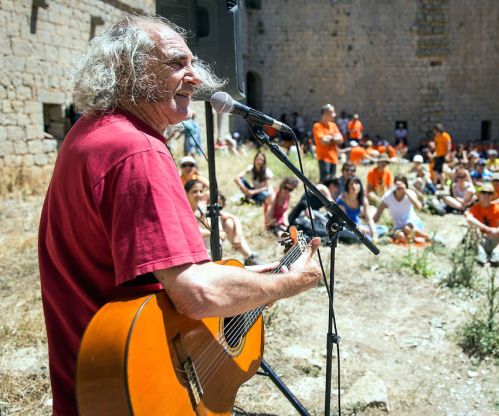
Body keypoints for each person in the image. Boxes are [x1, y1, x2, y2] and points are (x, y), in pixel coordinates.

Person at [37, 15, 322, 416]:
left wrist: (260, 278)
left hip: (101, 390)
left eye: (192, 64)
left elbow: (152, 281)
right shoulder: (136, 151)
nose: (196, 78)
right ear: (127, 69)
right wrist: (289, 284)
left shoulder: (92, 132)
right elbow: (195, 293)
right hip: (138, 393)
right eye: (176, 63)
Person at [185, 180, 258, 264]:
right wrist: (216, 233)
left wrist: (237, 236)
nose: (198, 194)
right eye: (194, 192)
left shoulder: (201, 208)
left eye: (201, 191)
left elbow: (234, 217)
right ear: (186, 193)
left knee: (229, 222)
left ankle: (250, 257)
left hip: (209, 244)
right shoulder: (184, 210)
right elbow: (192, 232)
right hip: (194, 250)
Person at [465, 183, 499, 267]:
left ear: (492, 196)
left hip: (493, 237)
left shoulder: (497, 207)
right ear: (479, 195)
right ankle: (480, 252)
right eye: (484, 192)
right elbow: (469, 218)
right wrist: (485, 228)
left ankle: (496, 251)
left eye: (489, 193)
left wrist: (498, 230)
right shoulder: (475, 208)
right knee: (472, 226)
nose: (486, 195)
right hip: (480, 238)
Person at [373, 175, 429, 244]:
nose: (399, 187)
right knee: (400, 235)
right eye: (397, 184)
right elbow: (379, 212)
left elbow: (419, 206)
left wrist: (406, 192)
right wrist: (371, 225)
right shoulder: (388, 196)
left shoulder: (410, 193)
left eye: (401, 184)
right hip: (398, 226)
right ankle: (414, 239)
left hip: (412, 223)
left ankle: (427, 237)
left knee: (407, 229)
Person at [313, 104, 344, 182]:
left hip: (334, 158)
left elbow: (341, 140)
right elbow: (323, 141)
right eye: (332, 112)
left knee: (332, 183)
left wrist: (329, 138)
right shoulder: (317, 126)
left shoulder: (333, 125)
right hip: (324, 158)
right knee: (325, 181)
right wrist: (334, 137)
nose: (334, 114)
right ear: (325, 113)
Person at [430, 123, 452, 188]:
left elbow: (449, 146)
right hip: (438, 155)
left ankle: (435, 183)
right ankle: (442, 185)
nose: (434, 132)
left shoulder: (445, 136)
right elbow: (436, 146)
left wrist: (447, 155)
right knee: (440, 171)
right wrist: (434, 154)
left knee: (435, 170)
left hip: (443, 156)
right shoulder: (436, 137)